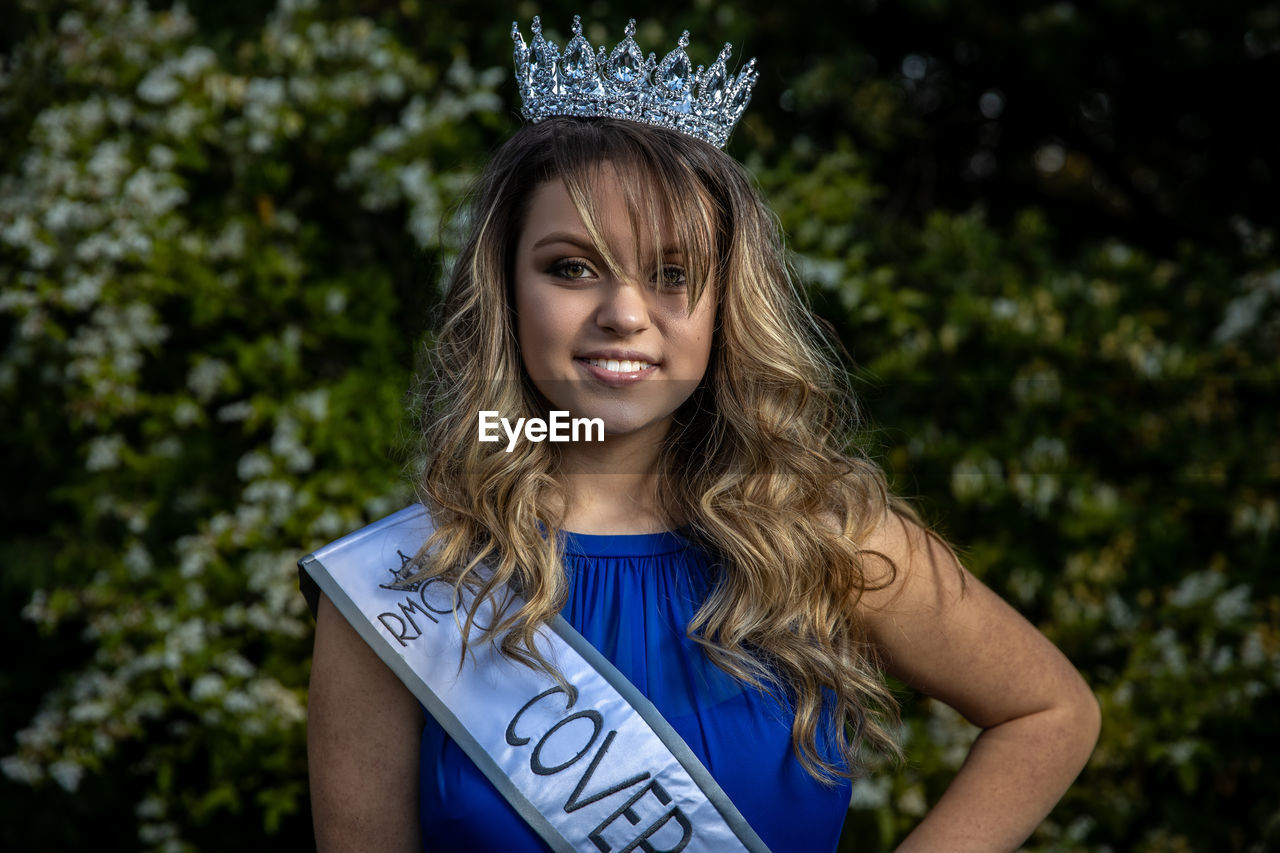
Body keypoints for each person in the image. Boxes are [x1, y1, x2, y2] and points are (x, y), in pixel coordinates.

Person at [303, 15, 1100, 853]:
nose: (624, 314)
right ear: (504, 290)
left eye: (674, 274)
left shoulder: (823, 536)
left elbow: (1049, 712)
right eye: (572, 267)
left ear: (726, 307)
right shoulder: (402, 588)